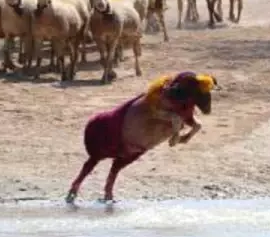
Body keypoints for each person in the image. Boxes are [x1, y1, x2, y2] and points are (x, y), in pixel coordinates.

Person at [66, 72, 218, 206]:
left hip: (141, 142)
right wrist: (176, 129)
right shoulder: (162, 95)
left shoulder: (187, 102)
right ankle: (75, 186)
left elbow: (188, 118)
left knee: (118, 166)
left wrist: (188, 133)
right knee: (95, 159)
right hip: (123, 130)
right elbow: (158, 112)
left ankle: (108, 191)